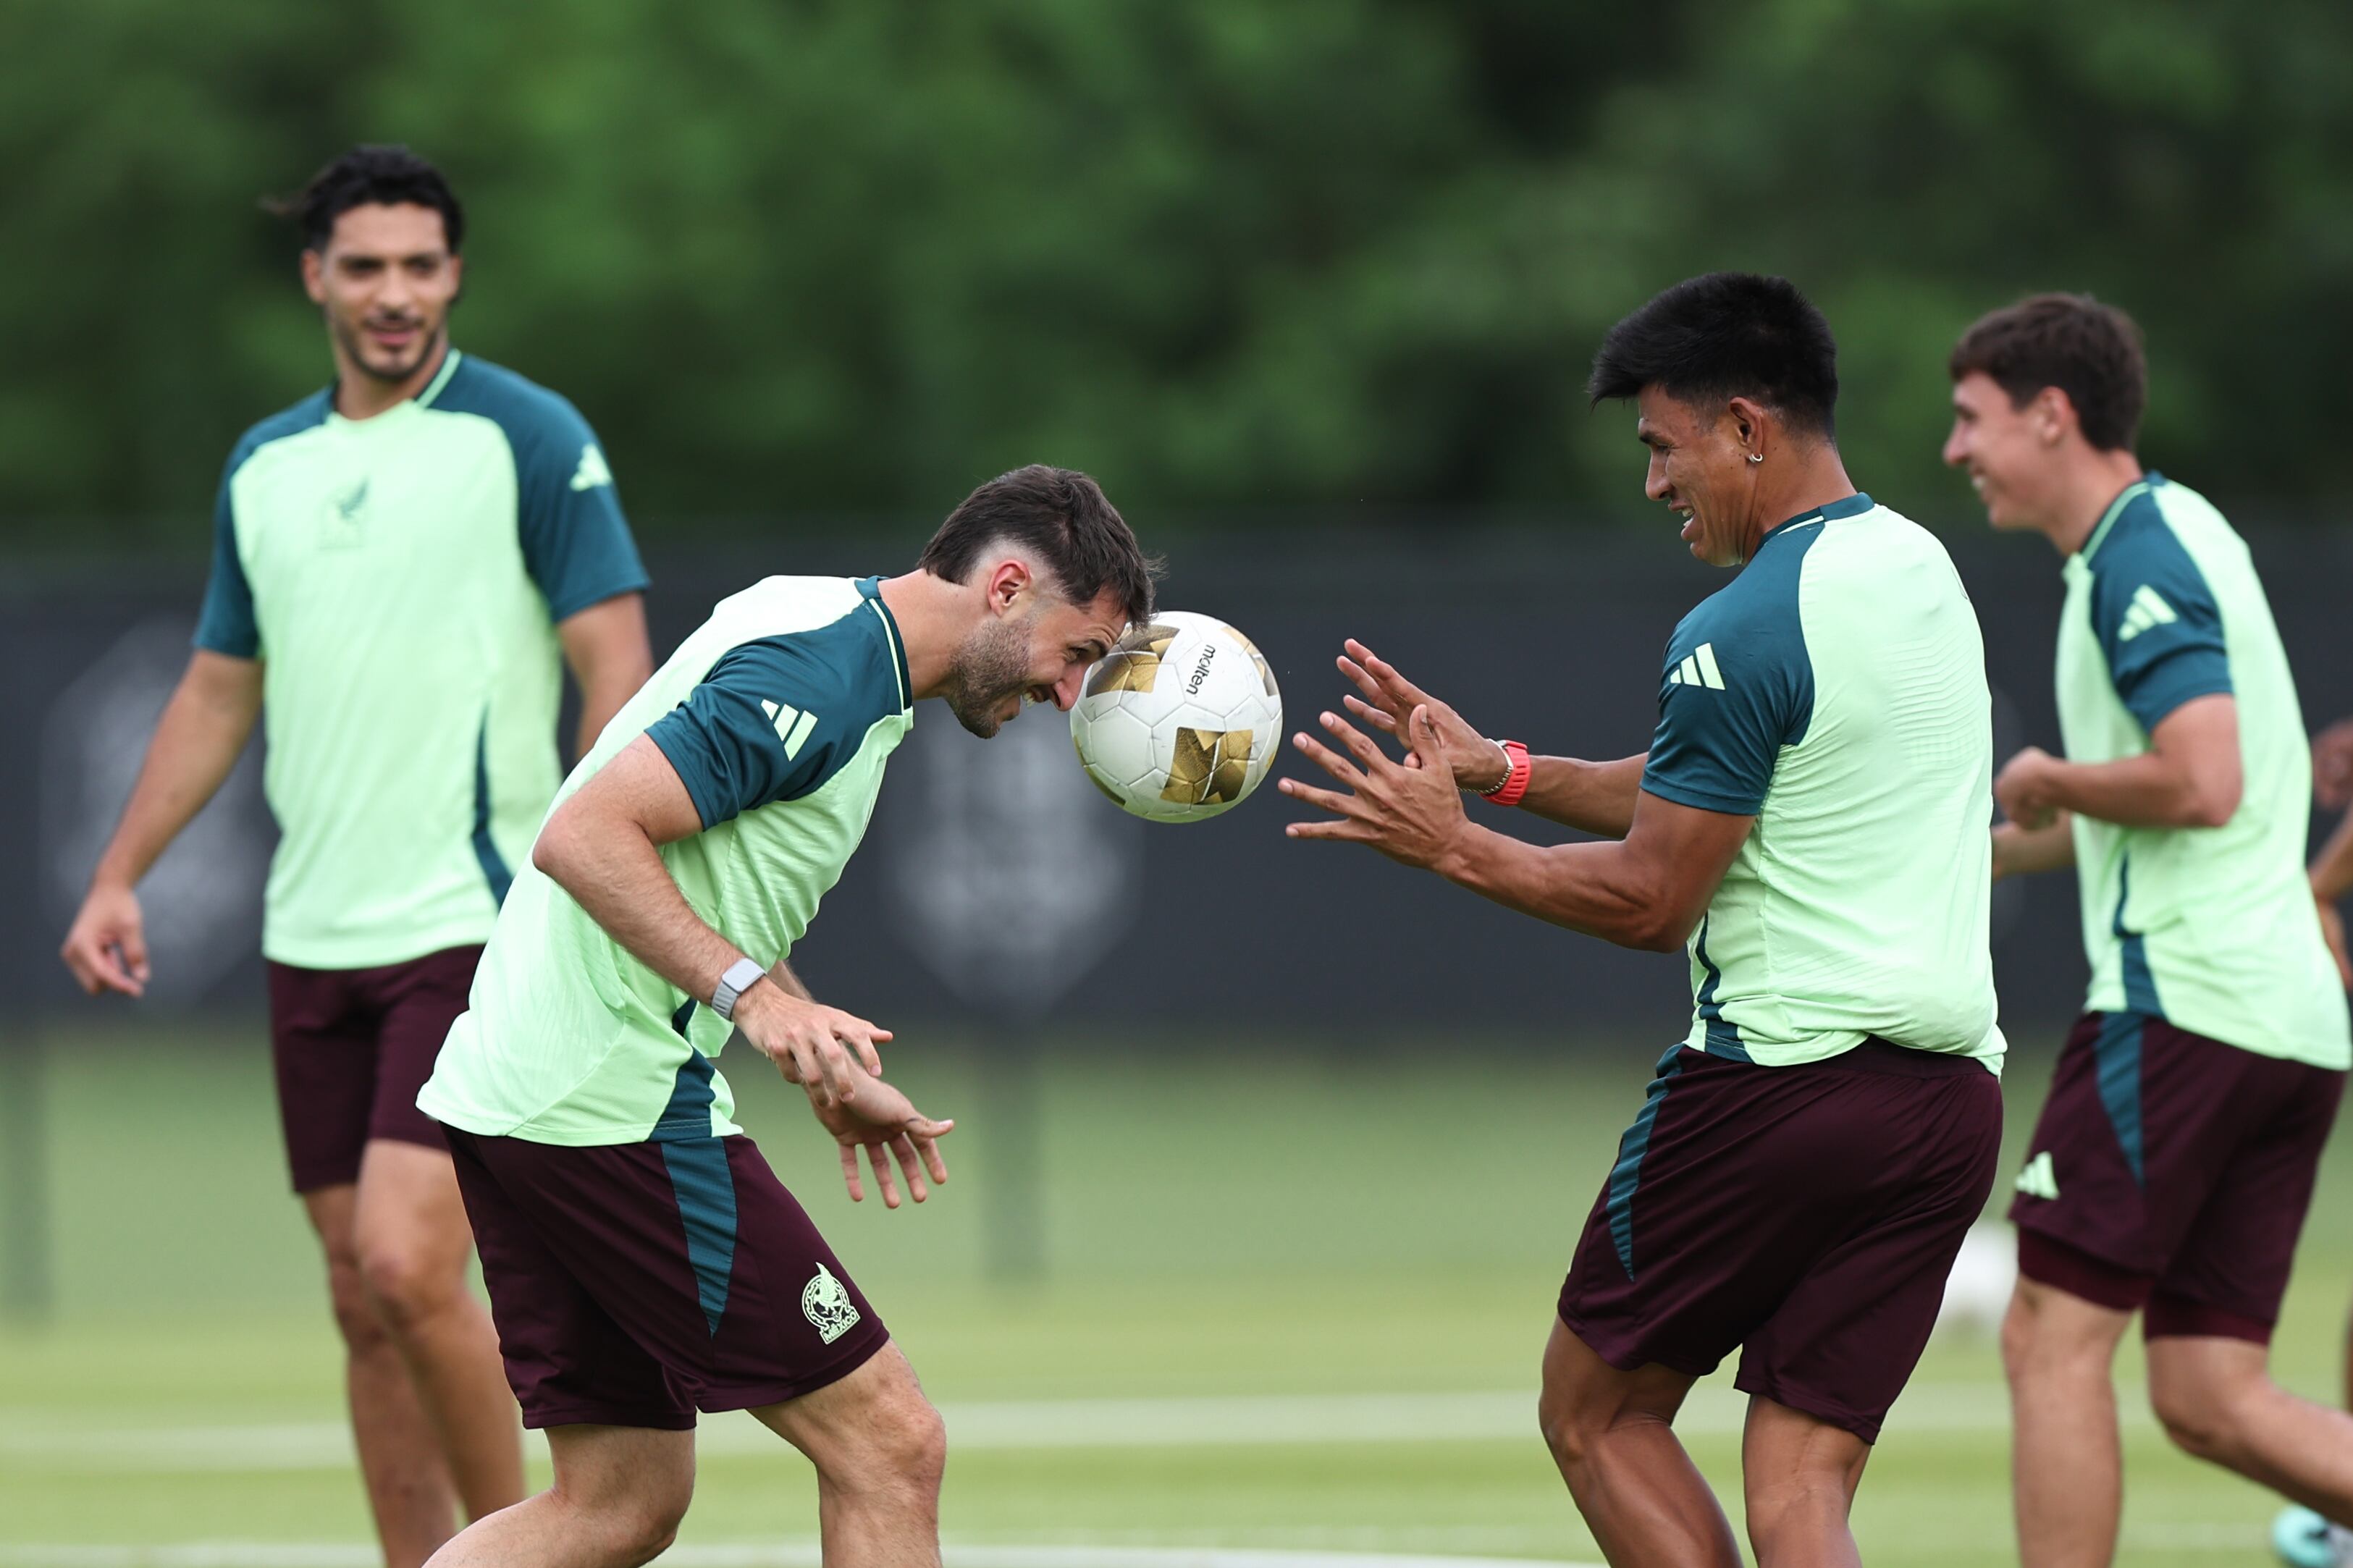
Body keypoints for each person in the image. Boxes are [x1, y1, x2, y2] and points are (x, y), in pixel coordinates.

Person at [1284, 272, 2005, 1567]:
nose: (1655, 482)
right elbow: (1717, 782)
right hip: (1946, 1106)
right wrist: (1501, 770)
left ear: (1745, 427)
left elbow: (1652, 898)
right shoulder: (1916, 567)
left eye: (1664, 447)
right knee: (1800, 1481)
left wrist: (1452, 846)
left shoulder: (1739, 623)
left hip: (1777, 1094)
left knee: (1595, 1410)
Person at [56, 146, 654, 1566]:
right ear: (316, 277)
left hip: (473, 920)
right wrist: (118, 872)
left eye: (421, 266)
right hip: (310, 933)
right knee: (359, 1294)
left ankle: (522, 1555)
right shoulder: (266, 466)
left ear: (455, 275)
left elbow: (613, 660)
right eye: (367, 266)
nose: (396, 294)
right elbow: (218, 688)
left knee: (405, 1259)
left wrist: (597, 862)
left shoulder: (527, 436)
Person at [411, 464, 1155, 1568]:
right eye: (1076, 651)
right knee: (890, 1444)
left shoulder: (814, 618)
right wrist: (751, 1000)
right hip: (608, 1103)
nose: (1066, 694)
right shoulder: (826, 671)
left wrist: (815, 1052)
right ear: (1005, 589)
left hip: (527, 1090)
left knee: (618, 1502)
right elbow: (585, 835)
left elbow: (705, 883)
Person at [1943, 292, 2353, 1568]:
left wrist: (2051, 774)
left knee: (2045, 1335)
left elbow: (2202, 779)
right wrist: (1964, 848)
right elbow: (2159, 804)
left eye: (1971, 419)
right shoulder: (2173, 534)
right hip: (2281, 1015)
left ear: (2049, 415)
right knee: (2207, 1392)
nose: (1955, 449)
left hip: (2186, 1004)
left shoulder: (2138, 553)